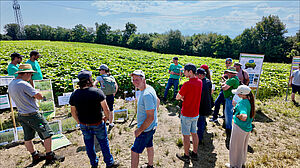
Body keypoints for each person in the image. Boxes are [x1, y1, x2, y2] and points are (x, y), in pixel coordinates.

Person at [8, 64, 65, 165]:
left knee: (28, 137)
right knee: (47, 133)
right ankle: (49, 156)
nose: (31, 77)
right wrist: (38, 92)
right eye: (30, 74)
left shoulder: (12, 83)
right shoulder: (23, 84)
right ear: (26, 73)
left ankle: (35, 155)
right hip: (32, 114)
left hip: (22, 114)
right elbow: (39, 96)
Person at [69, 70, 119, 168]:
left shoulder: (75, 94)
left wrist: (79, 122)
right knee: (104, 143)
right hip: (98, 123)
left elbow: (73, 112)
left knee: (89, 145)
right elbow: (106, 109)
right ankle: (109, 163)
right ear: (89, 80)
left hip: (84, 124)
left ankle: (94, 164)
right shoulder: (97, 92)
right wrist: (106, 118)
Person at [130, 70, 159, 168]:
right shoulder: (150, 88)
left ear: (144, 80)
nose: (135, 82)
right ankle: (150, 165)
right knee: (149, 145)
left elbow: (150, 117)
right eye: (133, 80)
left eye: (137, 79)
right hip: (151, 127)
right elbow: (157, 101)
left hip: (145, 129)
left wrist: (139, 130)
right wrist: (155, 112)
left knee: (134, 151)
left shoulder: (146, 95)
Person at [176, 63, 202, 163]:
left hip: (186, 113)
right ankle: (195, 153)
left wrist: (182, 97)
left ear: (190, 72)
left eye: (185, 71)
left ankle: (186, 156)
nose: (184, 72)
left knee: (186, 136)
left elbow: (178, 97)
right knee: (194, 134)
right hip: (195, 113)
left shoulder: (187, 84)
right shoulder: (200, 82)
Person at [225, 85, 255, 168]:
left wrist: (238, 116)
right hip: (246, 128)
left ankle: (234, 165)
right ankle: (240, 163)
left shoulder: (242, 103)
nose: (237, 95)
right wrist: (236, 106)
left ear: (243, 94)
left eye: (238, 93)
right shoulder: (249, 101)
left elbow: (244, 116)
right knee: (242, 146)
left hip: (239, 127)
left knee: (235, 146)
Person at [93, 64, 118, 131]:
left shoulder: (99, 77)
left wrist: (98, 91)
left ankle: (101, 123)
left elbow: (94, 85)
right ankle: (111, 123)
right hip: (110, 95)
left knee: (101, 109)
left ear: (104, 70)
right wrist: (114, 93)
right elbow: (116, 85)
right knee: (111, 109)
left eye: (100, 70)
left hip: (103, 96)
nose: (99, 71)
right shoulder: (112, 77)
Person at [210, 58, 233, 122]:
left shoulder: (231, 71)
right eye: (226, 62)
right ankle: (224, 116)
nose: (227, 64)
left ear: (231, 63)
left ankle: (215, 117)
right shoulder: (227, 70)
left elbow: (229, 81)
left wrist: (223, 79)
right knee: (224, 103)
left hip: (225, 89)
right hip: (224, 89)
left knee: (217, 103)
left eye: (229, 63)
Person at [222, 67, 240, 147]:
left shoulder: (232, 80)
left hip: (229, 98)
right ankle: (228, 126)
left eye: (228, 72)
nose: (227, 74)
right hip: (231, 97)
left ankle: (228, 128)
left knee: (228, 113)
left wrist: (223, 85)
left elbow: (225, 87)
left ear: (231, 73)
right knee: (229, 112)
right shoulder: (235, 79)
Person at [196, 68, 212, 144]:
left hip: (201, 105)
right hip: (206, 105)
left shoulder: (201, 83)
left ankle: (199, 139)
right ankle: (199, 137)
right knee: (201, 121)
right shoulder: (208, 82)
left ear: (200, 75)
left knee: (200, 122)